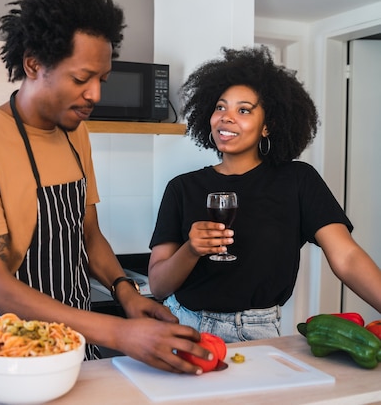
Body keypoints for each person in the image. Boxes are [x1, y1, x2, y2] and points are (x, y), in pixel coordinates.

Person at [0, 0, 210, 373]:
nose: (95, 94)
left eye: (102, 78)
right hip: (13, 352)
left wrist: (125, 292)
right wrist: (118, 333)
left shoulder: (74, 131)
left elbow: (88, 232)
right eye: (82, 78)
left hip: (78, 343)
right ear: (33, 65)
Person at [148, 46, 381, 343]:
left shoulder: (298, 180)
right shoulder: (182, 187)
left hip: (257, 333)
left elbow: (346, 257)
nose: (226, 117)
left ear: (268, 126)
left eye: (243, 110)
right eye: (220, 107)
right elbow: (157, 285)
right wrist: (191, 249)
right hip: (184, 326)